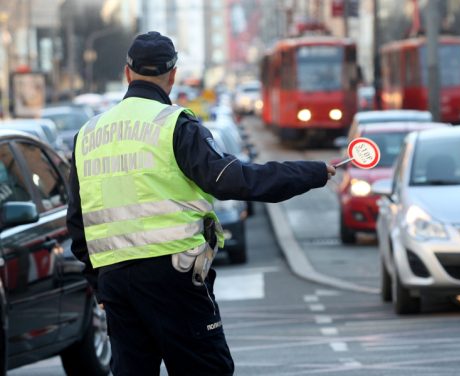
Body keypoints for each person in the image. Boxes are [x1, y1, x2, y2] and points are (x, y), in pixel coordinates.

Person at [66, 31, 336, 376]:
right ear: (173, 75)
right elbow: (234, 180)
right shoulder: (175, 125)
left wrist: (98, 280)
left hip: (116, 281)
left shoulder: (88, 135)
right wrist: (310, 172)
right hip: (173, 277)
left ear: (127, 72)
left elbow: (77, 221)